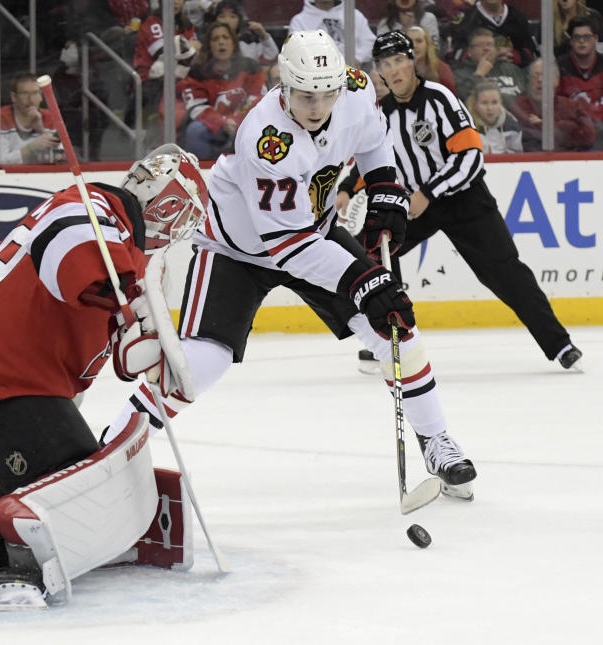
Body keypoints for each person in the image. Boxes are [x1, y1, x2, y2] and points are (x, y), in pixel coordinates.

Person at [103, 30, 479, 506]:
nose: (318, 106)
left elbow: (371, 140)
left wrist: (385, 190)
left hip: (312, 229)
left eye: (327, 94)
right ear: (284, 83)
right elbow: (288, 247)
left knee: (395, 326)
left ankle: (436, 439)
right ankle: (111, 449)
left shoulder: (357, 88)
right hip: (236, 249)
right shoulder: (267, 138)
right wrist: (365, 281)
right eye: (305, 95)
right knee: (203, 363)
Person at [0, 143, 209, 607]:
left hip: (10, 382)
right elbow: (68, 250)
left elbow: (123, 352)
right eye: (186, 218)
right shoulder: (89, 210)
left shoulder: (122, 246)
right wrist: (126, 297)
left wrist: (150, 346)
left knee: (77, 466)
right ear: (171, 206)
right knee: (77, 484)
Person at [342, 32, 581, 374]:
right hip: (416, 205)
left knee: (506, 272)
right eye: (385, 64)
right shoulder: (383, 115)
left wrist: (429, 191)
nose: (393, 70)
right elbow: (372, 159)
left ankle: (560, 345)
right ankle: (391, 339)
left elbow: (470, 157)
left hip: (464, 200)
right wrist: (348, 189)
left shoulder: (440, 98)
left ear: (412, 61)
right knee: (376, 256)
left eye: (398, 61)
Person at [177, 20, 266, 160]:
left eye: (225, 38)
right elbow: (197, 108)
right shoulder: (198, 72)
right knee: (195, 131)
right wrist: (222, 122)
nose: (221, 42)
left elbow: (257, 100)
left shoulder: (250, 67)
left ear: (233, 43)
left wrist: (236, 121)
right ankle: (202, 172)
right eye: (215, 39)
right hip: (215, 128)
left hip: (245, 124)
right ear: (209, 45)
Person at [510, 58, 597, 152]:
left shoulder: (572, 106)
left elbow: (589, 136)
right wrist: (571, 127)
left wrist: (545, 124)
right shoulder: (519, 106)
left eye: (545, 75)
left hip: (569, 162)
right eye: (535, 76)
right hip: (534, 162)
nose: (540, 80)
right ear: (529, 80)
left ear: (556, 80)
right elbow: (533, 136)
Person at [0, 74, 65, 164]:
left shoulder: (49, 117)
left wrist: (41, 131)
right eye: (25, 93)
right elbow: (0, 161)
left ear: (41, 96)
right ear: (14, 97)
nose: (31, 99)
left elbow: (62, 157)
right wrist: (32, 147)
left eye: (35, 93)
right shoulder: (2, 117)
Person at [452, 27, 527, 106]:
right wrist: (479, 74)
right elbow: (465, 100)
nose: (486, 48)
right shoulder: (459, 75)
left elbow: (529, 95)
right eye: (480, 45)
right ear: (469, 52)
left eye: (489, 45)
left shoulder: (511, 69)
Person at [288, 0, 377, 66]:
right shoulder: (299, 21)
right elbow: (294, 51)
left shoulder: (354, 15)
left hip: (353, 73)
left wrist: (357, 58)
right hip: (316, 77)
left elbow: (370, 44)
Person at [449, 0, 538, 66]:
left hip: (514, 75)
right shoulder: (466, 19)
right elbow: (456, 56)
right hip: (476, 77)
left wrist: (513, 56)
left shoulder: (518, 17)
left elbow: (531, 52)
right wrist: (488, 55)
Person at [557, 16, 603, 122]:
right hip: (573, 128)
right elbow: (556, 106)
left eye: (586, 37)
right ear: (571, 40)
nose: (582, 41)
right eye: (577, 37)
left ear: (596, 38)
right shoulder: (559, 67)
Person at [211, 0, 279, 67]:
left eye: (232, 16)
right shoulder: (210, 40)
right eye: (222, 16)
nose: (227, 21)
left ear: (239, 20)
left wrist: (264, 35)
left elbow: (272, 59)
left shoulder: (250, 40)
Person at [467, 79, 523, 153]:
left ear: (500, 103)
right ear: (475, 105)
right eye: (484, 103)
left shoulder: (512, 125)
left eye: (494, 102)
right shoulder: (467, 127)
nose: (490, 108)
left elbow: (518, 156)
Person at [377, 0, 441, 53]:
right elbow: (383, 53)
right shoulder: (385, 23)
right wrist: (404, 29)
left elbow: (434, 49)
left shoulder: (428, 19)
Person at [408, 25, 456, 94]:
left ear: (427, 44)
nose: (414, 45)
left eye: (419, 41)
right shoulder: (399, 69)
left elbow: (451, 96)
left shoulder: (441, 68)